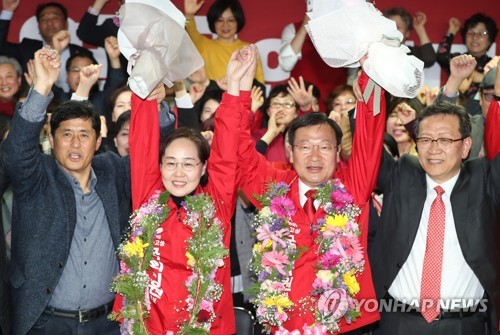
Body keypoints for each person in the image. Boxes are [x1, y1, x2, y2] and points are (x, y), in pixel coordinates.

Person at [235, 46, 387, 333]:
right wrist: (240, 92)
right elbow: (240, 154)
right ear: (290, 152)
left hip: (345, 325)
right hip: (283, 324)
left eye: (324, 147)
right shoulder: (273, 190)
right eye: (305, 147)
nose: (315, 157)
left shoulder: (352, 187)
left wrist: (371, 77)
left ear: (337, 150)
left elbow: (370, 136)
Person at [113, 46, 257, 335]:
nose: (179, 173)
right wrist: (144, 82)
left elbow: (227, 150)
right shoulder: (149, 197)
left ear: (204, 168)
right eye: (171, 163)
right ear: (161, 166)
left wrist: (234, 89)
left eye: (189, 163)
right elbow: (143, 142)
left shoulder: (215, 204)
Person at [3, 46, 134, 335]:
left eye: (84, 135)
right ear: (51, 138)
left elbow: (153, 157)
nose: (75, 143)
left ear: (98, 141)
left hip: (107, 324)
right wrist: (41, 86)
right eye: (66, 134)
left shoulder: (113, 171)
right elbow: (16, 153)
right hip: (46, 323)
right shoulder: (37, 175)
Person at [371, 96, 500, 334]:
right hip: (398, 323)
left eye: (445, 139)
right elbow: (367, 149)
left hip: (464, 325)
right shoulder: (403, 173)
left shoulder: (485, 180)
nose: (434, 149)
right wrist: (369, 94)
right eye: (426, 139)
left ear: (465, 146)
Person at [0, 1, 92, 92]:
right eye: (43, 19)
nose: (49, 22)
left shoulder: (83, 53)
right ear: (38, 27)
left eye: (55, 17)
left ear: (66, 23)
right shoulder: (27, 48)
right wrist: (7, 12)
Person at [184, 0, 265, 84]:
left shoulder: (248, 49)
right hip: (210, 96)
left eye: (231, 20)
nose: (225, 25)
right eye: (220, 20)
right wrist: (189, 15)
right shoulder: (203, 44)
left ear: (238, 21)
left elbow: (259, 82)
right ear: (213, 22)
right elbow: (191, 29)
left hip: (241, 96)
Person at [436, 13, 498, 115]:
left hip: (483, 119)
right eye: (470, 32)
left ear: (490, 39)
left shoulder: (494, 64)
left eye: (481, 33)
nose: (474, 37)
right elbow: (441, 56)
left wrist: (481, 77)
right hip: (456, 115)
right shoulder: (459, 61)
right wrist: (451, 30)